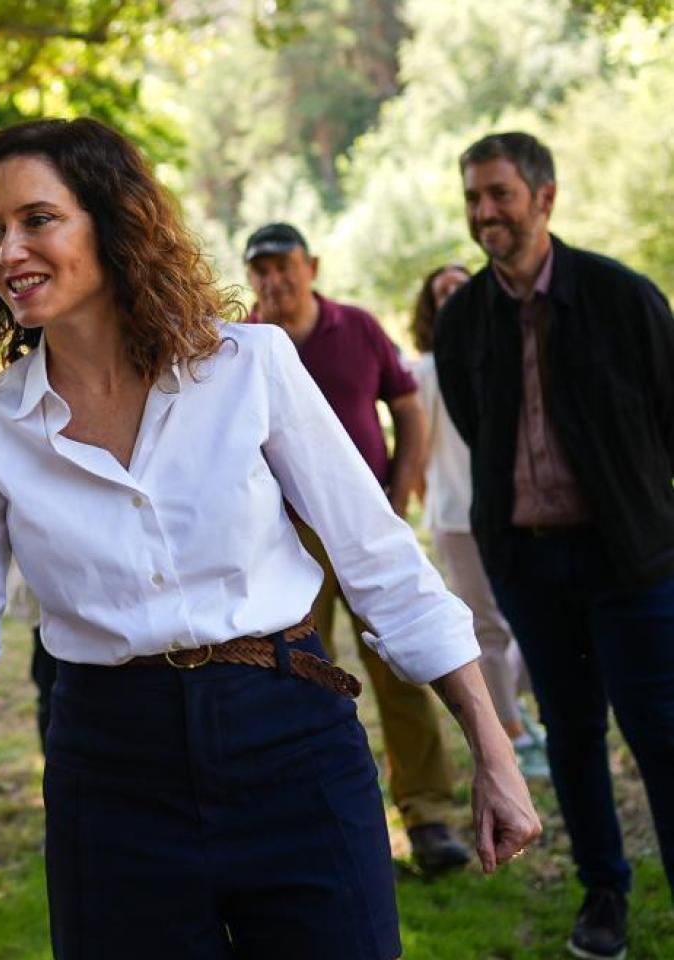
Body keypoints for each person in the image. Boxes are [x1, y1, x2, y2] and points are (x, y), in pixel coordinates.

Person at [0, 116, 535, 959]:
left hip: (290, 741)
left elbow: (381, 564)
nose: (7, 250)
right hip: (109, 773)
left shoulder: (250, 365)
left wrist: (492, 750)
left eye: (37, 219)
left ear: (112, 222)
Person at [436, 131, 674, 960]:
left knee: (660, 731)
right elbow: (477, 426)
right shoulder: (464, 320)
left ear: (545, 197)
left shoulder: (622, 297)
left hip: (630, 560)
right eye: (473, 197)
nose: (484, 212)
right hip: (531, 565)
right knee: (570, 734)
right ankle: (604, 891)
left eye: (498, 193)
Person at [243, 222, 471, 875]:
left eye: (284, 266)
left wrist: (398, 493)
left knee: (403, 667)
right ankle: (314, 818)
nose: (274, 280)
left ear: (311, 266)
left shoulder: (358, 327)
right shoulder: (243, 341)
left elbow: (408, 407)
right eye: (261, 270)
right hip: (282, 540)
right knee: (299, 676)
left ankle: (428, 817)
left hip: (364, 527)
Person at [408, 263, 547, 780]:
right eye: (441, 292)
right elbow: (418, 449)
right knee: (485, 627)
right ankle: (513, 733)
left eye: (461, 288)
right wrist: (433, 505)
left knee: (528, 620)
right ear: (430, 308)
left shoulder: (502, 353)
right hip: (457, 518)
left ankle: (512, 705)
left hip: (514, 512)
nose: (453, 297)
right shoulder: (425, 371)